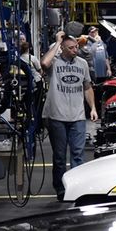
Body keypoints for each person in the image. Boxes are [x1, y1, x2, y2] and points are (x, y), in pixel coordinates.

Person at [41, 31, 98, 201]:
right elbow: (44, 63)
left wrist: (93, 108)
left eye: (76, 47)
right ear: (63, 49)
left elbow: (87, 87)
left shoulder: (82, 64)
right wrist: (57, 42)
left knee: (78, 154)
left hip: (78, 116)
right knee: (59, 156)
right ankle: (60, 188)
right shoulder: (55, 62)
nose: (75, 50)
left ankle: (76, 188)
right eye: (71, 48)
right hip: (57, 116)